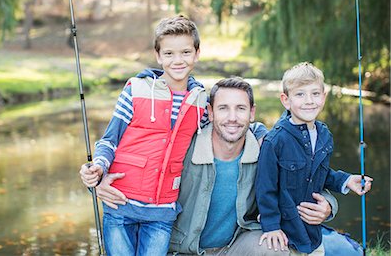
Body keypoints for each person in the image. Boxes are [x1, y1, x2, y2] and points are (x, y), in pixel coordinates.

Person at [82, 77, 338, 255]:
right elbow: (140, 163)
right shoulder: (185, 146)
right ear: (210, 112)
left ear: (251, 113)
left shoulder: (266, 147)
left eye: (240, 109)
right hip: (183, 249)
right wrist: (100, 179)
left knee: (275, 249)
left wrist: (328, 205)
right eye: (223, 108)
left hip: (233, 246)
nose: (232, 118)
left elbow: (309, 173)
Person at [82, 15, 208, 255]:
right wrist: (98, 168)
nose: (177, 60)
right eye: (169, 54)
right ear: (158, 55)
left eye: (185, 52)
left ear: (196, 53)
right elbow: (109, 140)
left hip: (162, 212)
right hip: (119, 203)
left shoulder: (201, 102)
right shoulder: (136, 90)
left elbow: (225, 127)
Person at [255, 62, 373, 255]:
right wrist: (271, 226)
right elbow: (265, 187)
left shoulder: (324, 135)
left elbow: (320, 173)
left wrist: (346, 180)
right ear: (286, 100)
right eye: (300, 94)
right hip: (285, 231)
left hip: (312, 233)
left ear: (323, 97)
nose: (309, 100)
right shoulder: (275, 140)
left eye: (315, 93)